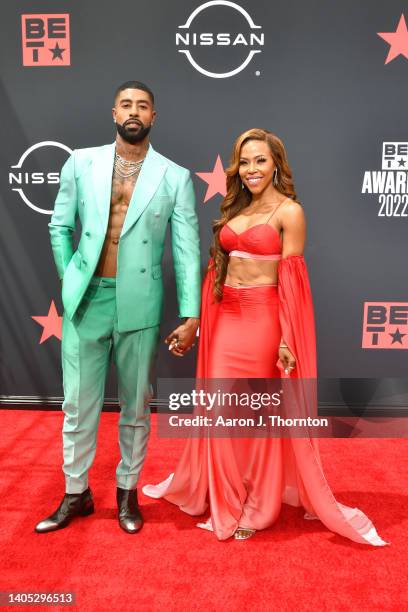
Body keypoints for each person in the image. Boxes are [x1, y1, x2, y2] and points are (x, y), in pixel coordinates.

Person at [143, 128, 387, 546]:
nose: (252, 169)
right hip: (225, 319)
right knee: (218, 414)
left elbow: (292, 283)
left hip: (263, 321)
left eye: (260, 160)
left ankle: (259, 507)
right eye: (245, 161)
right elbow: (215, 273)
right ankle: (226, 497)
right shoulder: (234, 209)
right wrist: (198, 321)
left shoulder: (290, 212)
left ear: (276, 164)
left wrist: (287, 338)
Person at [35, 81, 201, 534]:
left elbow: (187, 249)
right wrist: (71, 277)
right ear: (113, 113)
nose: (134, 112)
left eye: (143, 106)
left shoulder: (175, 176)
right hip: (87, 300)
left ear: (153, 117)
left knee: (135, 406)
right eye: (126, 104)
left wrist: (192, 313)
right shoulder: (81, 162)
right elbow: (59, 225)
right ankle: (76, 493)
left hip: (140, 304)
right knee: (77, 404)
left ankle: (128, 494)